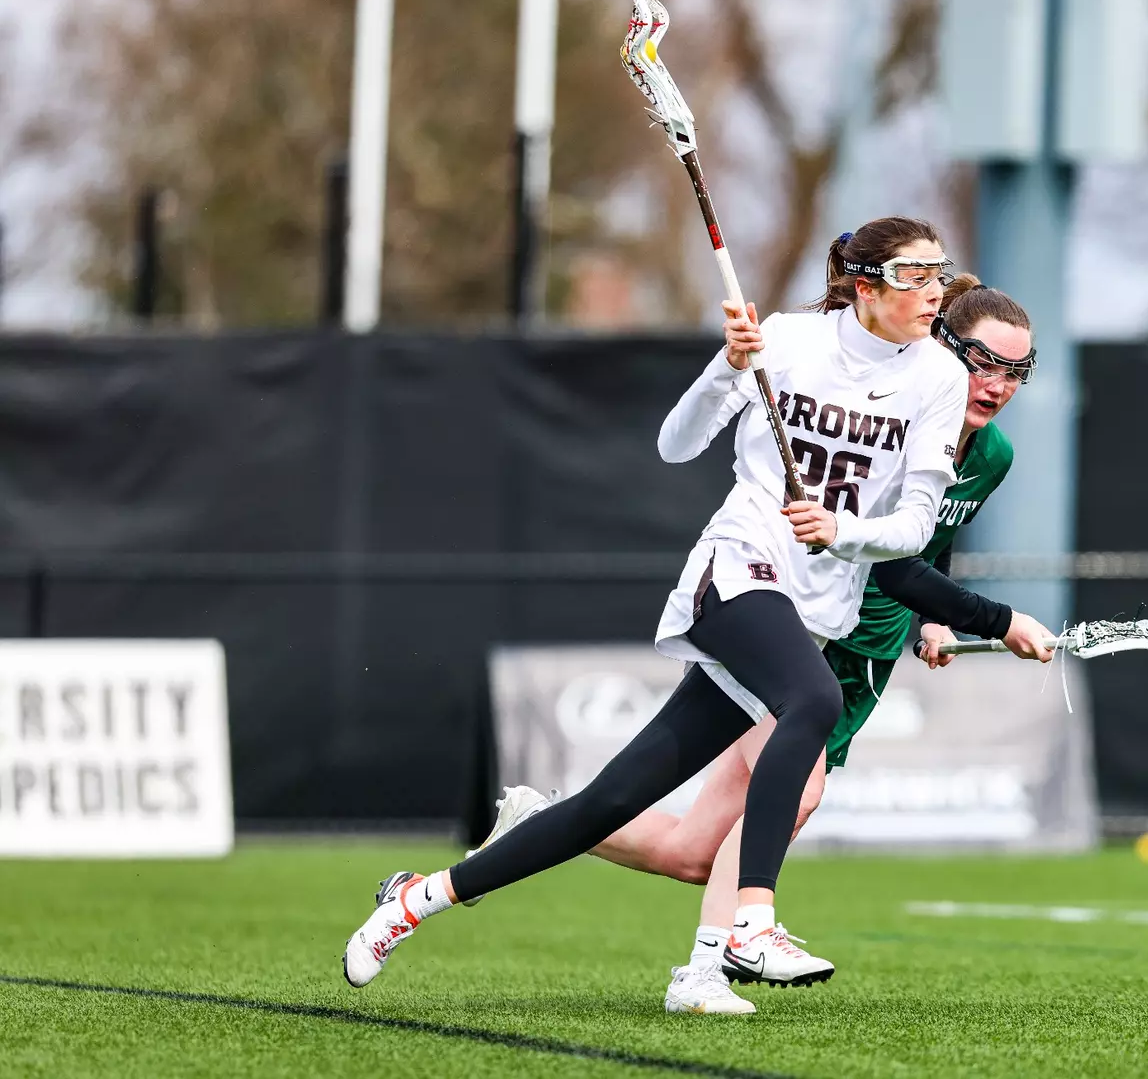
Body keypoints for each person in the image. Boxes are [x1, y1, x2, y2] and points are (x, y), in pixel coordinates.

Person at [342, 216, 977, 989]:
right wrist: (728, 365)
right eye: (914, 275)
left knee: (609, 802)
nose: (932, 291)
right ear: (865, 283)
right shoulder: (788, 339)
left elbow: (913, 528)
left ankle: (420, 899)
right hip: (737, 572)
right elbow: (676, 445)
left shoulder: (940, 379)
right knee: (812, 700)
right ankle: (751, 922)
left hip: (810, 610)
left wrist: (842, 530)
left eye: (938, 274)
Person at [476, 276, 1054, 1015]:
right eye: (982, 362)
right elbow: (893, 562)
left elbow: (930, 545)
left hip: (869, 656)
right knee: (798, 793)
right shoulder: (894, 405)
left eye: (1015, 372)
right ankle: (713, 962)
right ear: (939, 346)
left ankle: (544, 822)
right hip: (805, 627)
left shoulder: (992, 455)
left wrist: (934, 622)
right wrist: (995, 619)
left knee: (693, 851)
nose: (996, 385)